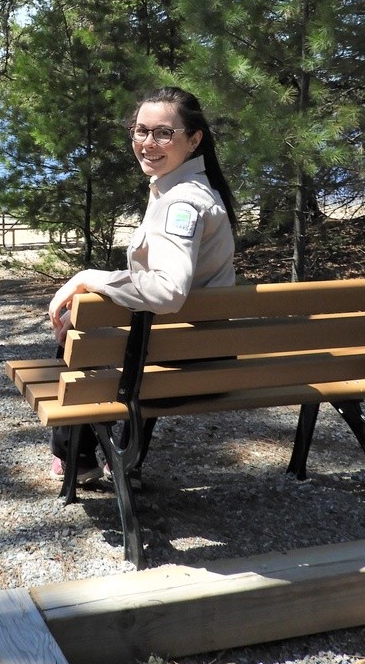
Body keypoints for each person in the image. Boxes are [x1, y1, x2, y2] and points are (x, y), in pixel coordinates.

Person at [47, 85, 237, 481]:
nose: (148, 143)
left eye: (164, 133)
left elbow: (168, 291)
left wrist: (88, 278)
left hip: (177, 374)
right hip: (210, 361)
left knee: (77, 334)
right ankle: (125, 462)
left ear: (194, 139)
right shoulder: (195, 191)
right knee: (129, 333)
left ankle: (77, 459)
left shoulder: (180, 203)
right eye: (140, 130)